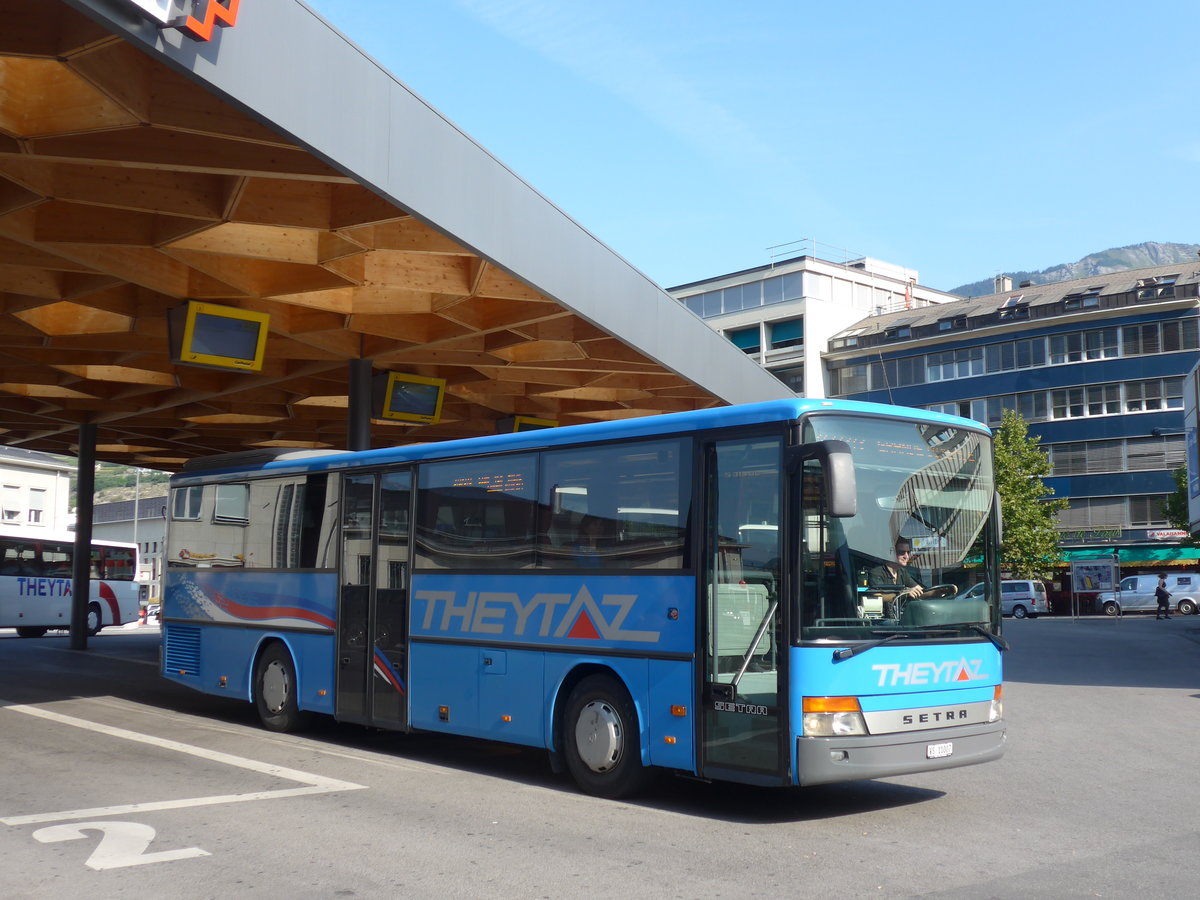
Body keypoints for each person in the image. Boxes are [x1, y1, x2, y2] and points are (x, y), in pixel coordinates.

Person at [868, 539, 926, 616]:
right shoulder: (876, 572)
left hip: (900, 617)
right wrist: (904, 594)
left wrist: (937, 592)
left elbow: (919, 590)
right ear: (890, 553)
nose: (906, 556)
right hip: (881, 619)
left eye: (908, 552)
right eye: (902, 553)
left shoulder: (902, 572)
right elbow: (876, 595)